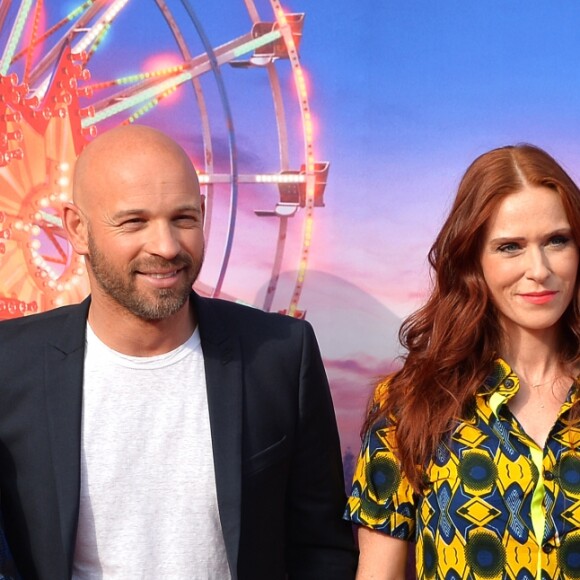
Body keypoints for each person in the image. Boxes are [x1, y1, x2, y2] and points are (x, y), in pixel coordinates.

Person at [0, 124, 358, 579]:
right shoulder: (10, 365)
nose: (166, 246)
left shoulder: (281, 356)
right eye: (134, 221)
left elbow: (321, 549)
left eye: (184, 219)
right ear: (77, 229)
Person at [345, 144, 580, 579]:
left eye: (557, 240)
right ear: (473, 259)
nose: (539, 268)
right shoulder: (409, 407)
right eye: (510, 247)